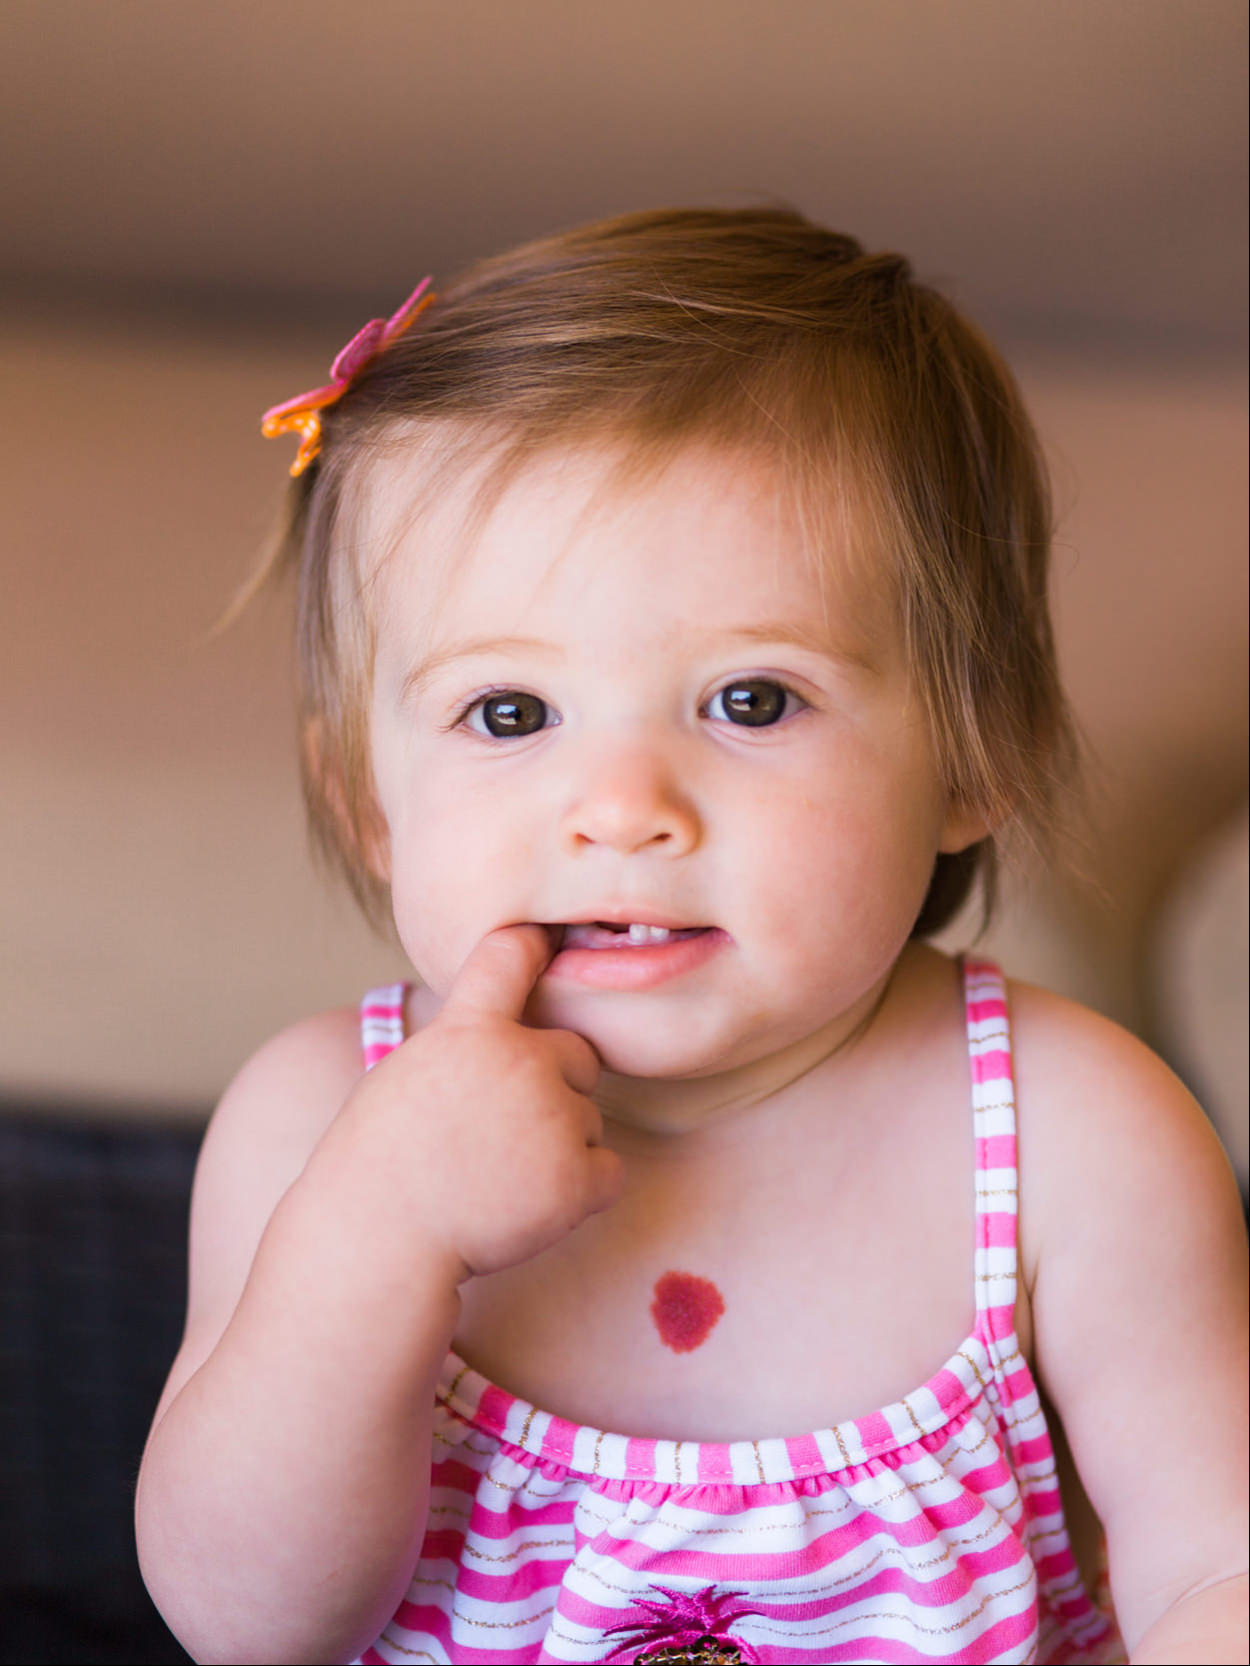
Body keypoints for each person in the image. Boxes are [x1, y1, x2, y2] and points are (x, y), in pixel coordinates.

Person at [134, 209, 1247, 1666]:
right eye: (510, 713)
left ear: (973, 761)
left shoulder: (1070, 1135)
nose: (621, 808)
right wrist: (375, 1232)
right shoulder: (318, 1120)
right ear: (370, 808)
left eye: (749, 699)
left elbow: (1211, 1570)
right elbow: (243, 1623)